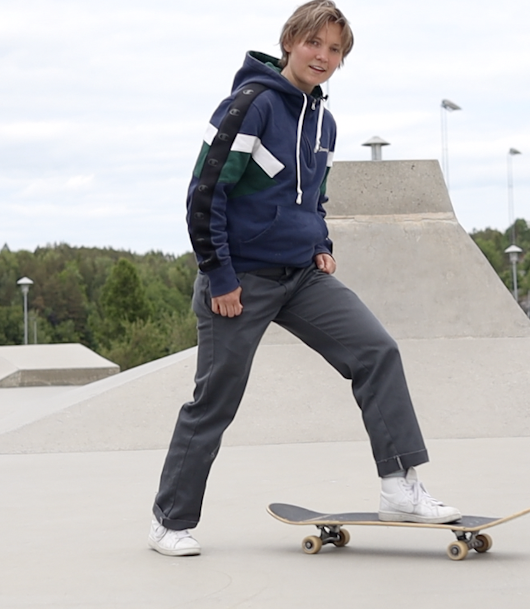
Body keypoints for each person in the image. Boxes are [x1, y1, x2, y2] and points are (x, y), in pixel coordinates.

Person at [149, 0, 460, 557]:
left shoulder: (325, 121)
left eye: (335, 49)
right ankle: (170, 520)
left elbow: (313, 194)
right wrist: (219, 276)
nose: (323, 56)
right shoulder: (249, 105)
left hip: (302, 277)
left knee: (376, 350)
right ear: (290, 40)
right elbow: (205, 193)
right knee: (215, 399)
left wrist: (321, 244)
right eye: (314, 43)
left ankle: (399, 487)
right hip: (239, 281)